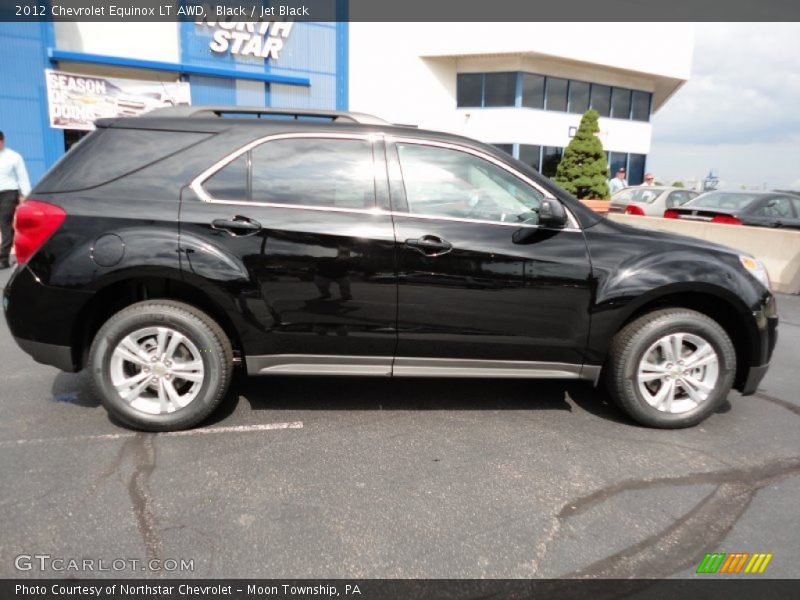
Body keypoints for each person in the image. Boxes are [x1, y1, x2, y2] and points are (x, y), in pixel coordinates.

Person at [0, 131, 31, 269]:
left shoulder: (14, 157)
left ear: (3, 141)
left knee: (5, 224)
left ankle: (3, 259)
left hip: (8, 193)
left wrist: (25, 195)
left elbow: (22, 177)